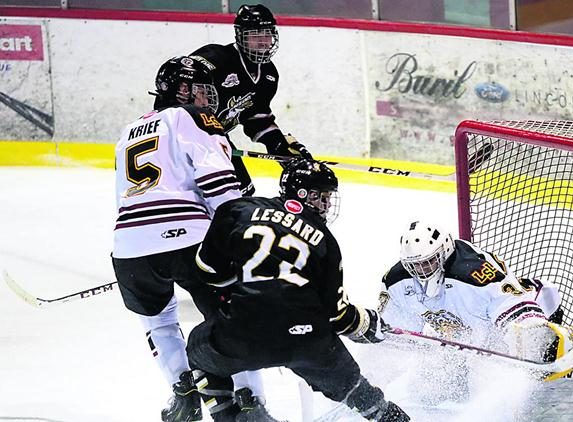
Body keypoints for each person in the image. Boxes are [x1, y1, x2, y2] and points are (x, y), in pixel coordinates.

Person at [186, 158, 410, 422]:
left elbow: (208, 272)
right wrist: (365, 322)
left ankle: (229, 419)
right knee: (357, 391)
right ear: (303, 195)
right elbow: (337, 317)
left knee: (198, 351)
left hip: (244, 332)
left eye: (328, 198)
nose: (326, 205)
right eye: (321, 197)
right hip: (309, 340)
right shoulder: (326, 240)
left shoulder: (237, 210)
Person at [111, 55, 261, 422]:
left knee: (159, 321)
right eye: (202, 91)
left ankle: (184, 392)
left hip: (129, 247)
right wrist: (242, 234)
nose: (209, 100)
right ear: (181, 89)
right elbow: (218, 185)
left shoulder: (128, 130)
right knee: (232, 315)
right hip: (188, 239)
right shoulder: (193, 118)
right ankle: (249, 400)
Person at [379, 220, 573, 368]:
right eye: (414, 265)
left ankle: (551, 352)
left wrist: (529, 339)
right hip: (471, 335)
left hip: (534, 307)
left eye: (428, 262)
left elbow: (510, 303)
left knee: (527, 338)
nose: (421, 270)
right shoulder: (396, 281)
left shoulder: (473, 273)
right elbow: (398, 335)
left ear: (444, 250)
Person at [188, 4, 313, 195]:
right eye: (256, 35)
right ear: (240, 36)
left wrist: (280, 147)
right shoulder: (217, 58)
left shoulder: (268, 75)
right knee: (228, 195)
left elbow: (257, 118)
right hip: (189, 137)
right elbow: (179, 77)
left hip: (217, 140)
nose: (263, 41)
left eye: (267, 34)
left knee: (243, 192)